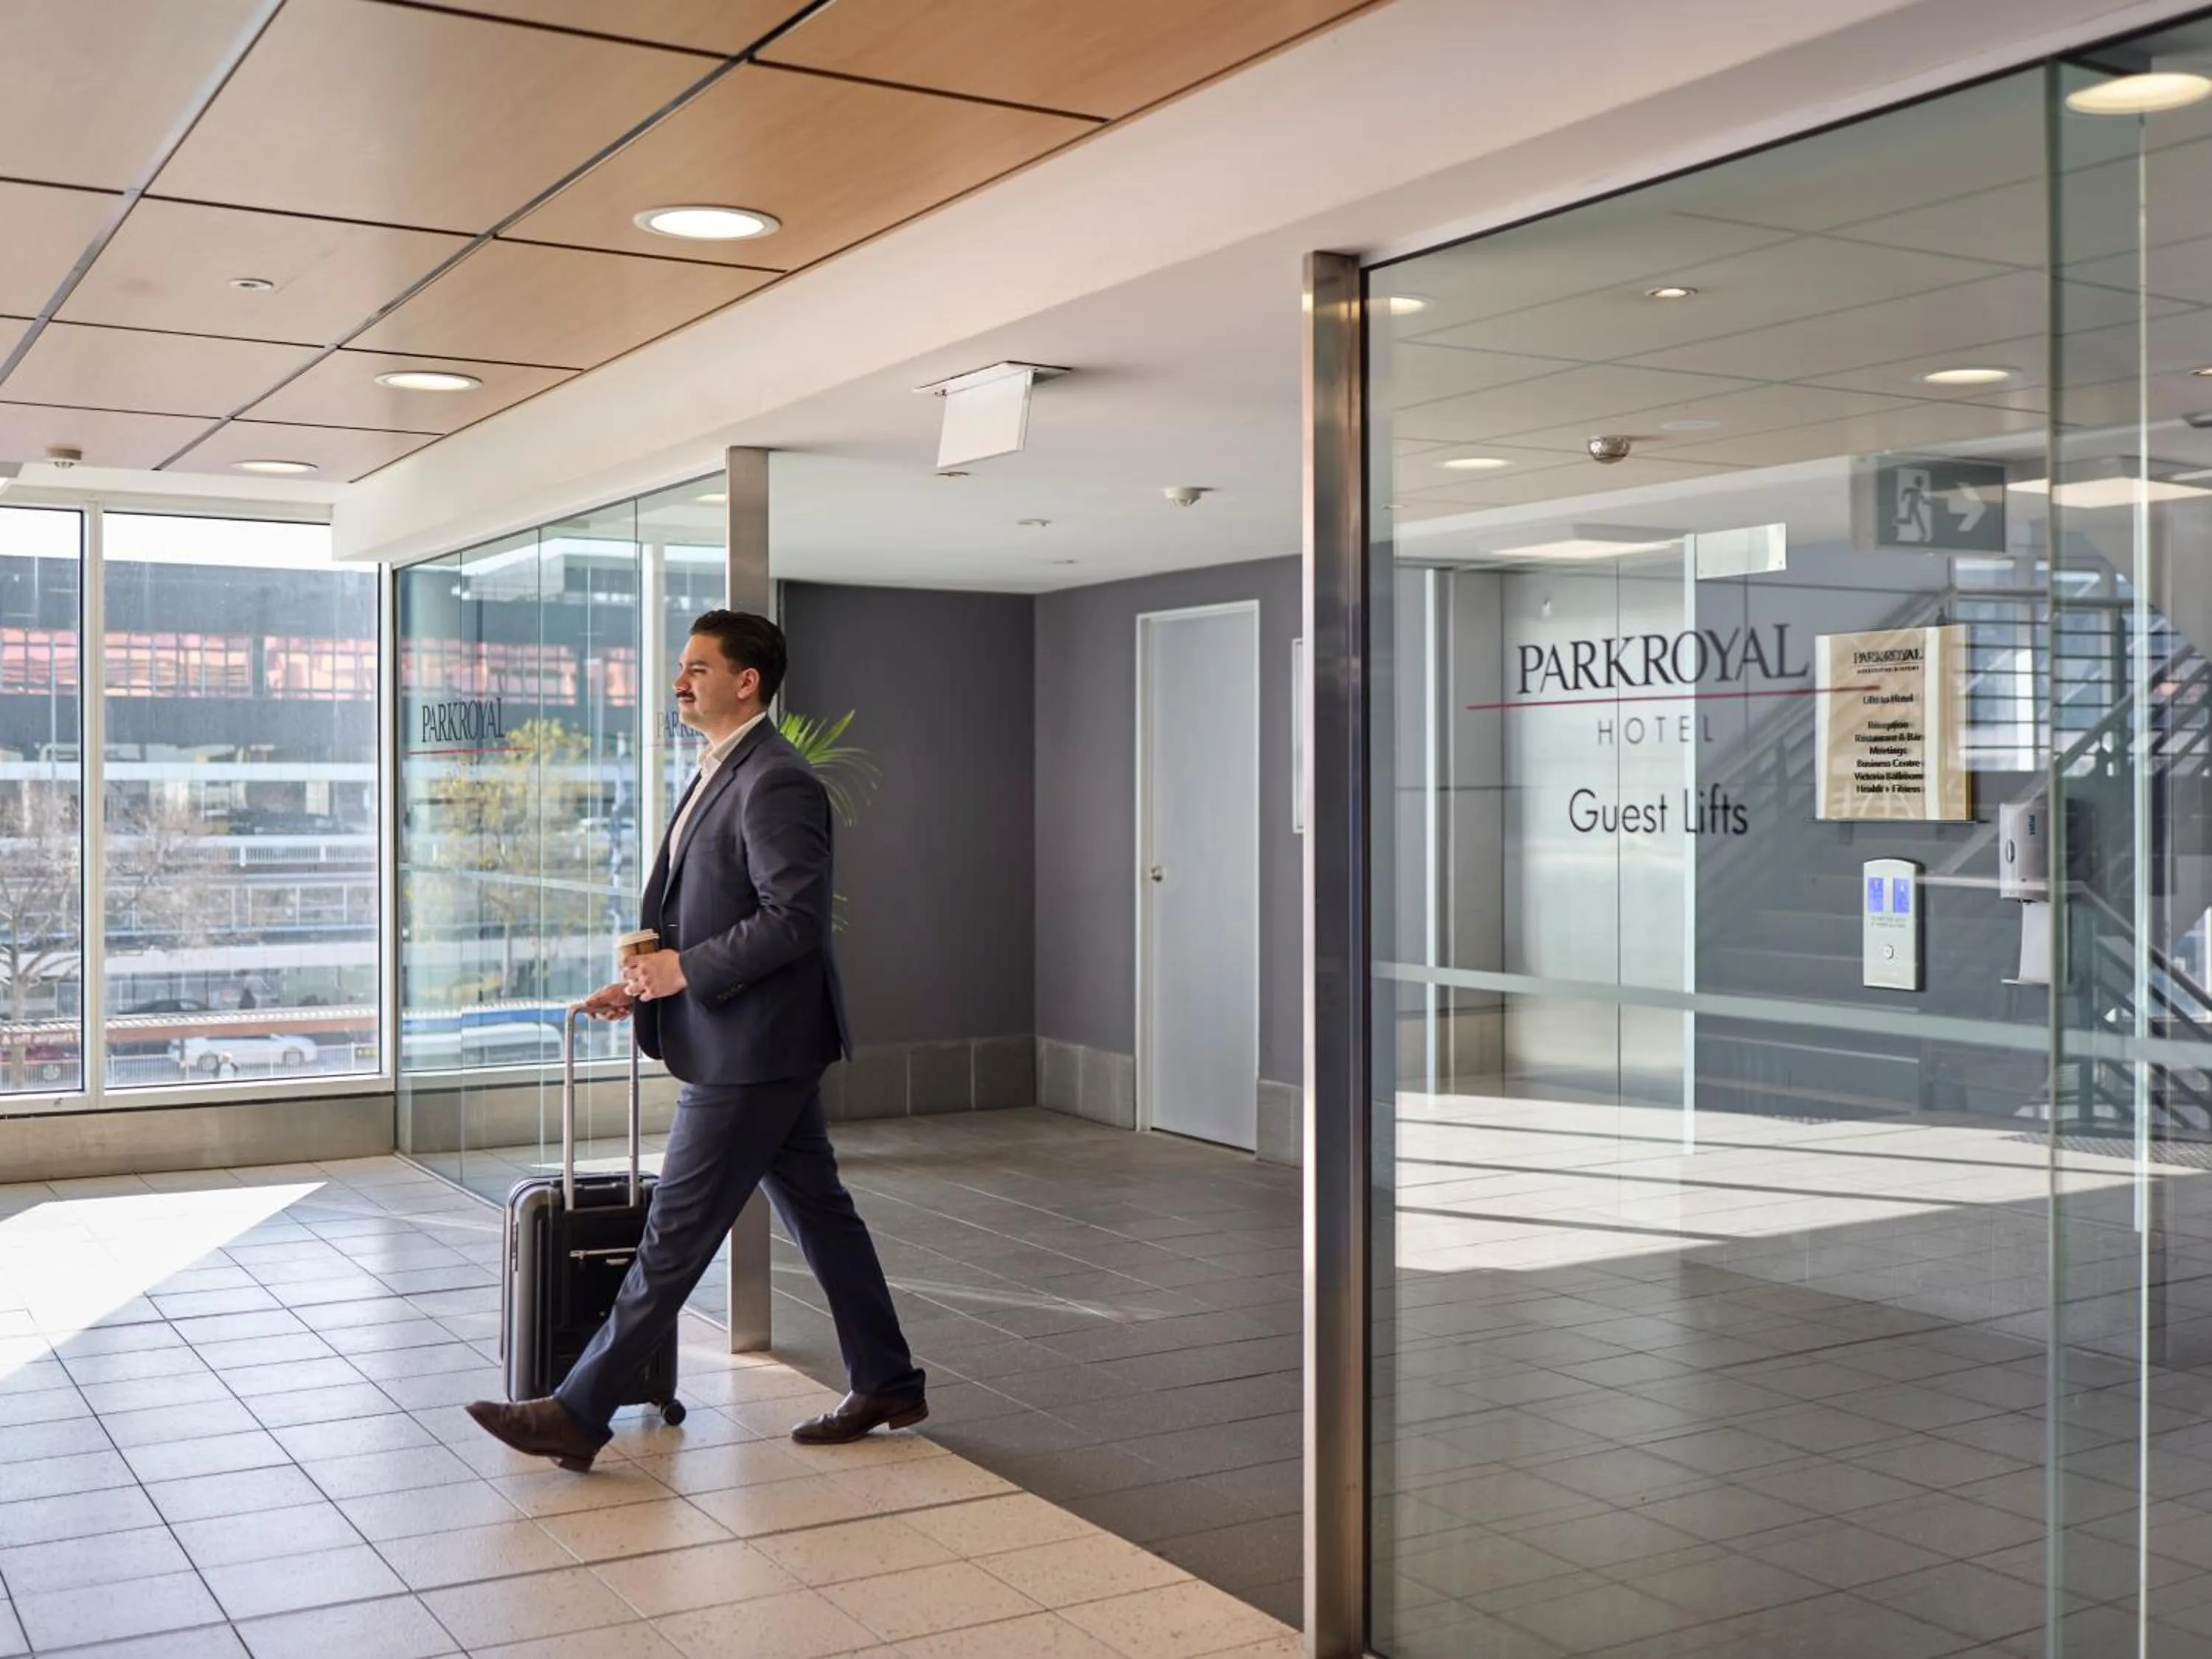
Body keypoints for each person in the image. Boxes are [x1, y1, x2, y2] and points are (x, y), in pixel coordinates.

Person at [466, 610, 925, 1471]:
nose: (680, 683)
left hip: (752, 1049)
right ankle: (888, 1378)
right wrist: (645, 979)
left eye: (697, 668)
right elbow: (700, 911)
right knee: (824, 1218)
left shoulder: (776, 779)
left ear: (746, 682)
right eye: (682, 668)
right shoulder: (724, 769)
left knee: (673, 1235)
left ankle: (578, 1410)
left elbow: (792, 921)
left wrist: (686, 974)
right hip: (751, 1040)